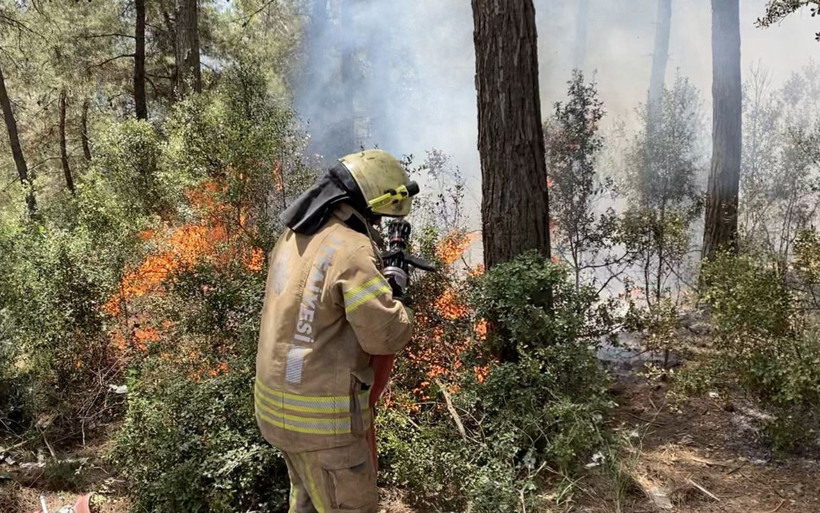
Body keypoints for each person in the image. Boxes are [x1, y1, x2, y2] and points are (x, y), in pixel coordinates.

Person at [255, 149, 417, 513]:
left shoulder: (294, 235)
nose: (378, 224)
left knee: (308, 499)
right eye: (378, 217)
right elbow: (384, 336)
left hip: (278, 414)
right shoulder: (352, 248)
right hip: (324, 431)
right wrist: (400, 300)